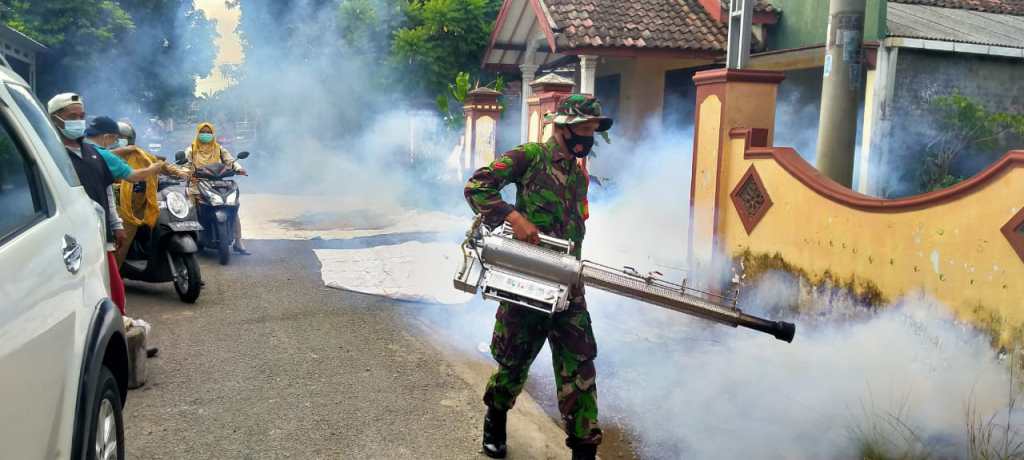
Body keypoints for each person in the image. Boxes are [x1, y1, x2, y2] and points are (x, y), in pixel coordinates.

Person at [464, 94, 613, 460]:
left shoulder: (579, 175)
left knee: (580, 368)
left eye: (593, 130)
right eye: (583, 128)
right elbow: (478, 186)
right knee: (513, 363)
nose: (588, 137)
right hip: (528, 280)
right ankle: (496, 416)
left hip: (568, 285)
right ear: (563, 127)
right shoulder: (530, 157)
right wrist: (514, 217)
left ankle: (584, 450)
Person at [47, 94, 155, 314]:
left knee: (113, 291)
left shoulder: (93, 153)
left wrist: (115, 225)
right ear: (55, 119)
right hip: (69, 242)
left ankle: (120, 327)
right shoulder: (50, 154)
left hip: (100, 236)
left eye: (81, 116)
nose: (78, 121)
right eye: (72, 117)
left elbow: (106, 190)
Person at [110, 121, 190, 266]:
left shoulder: (139, 154)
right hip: (119, 209)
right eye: (116, 137)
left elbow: (160, 164)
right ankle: (114, 275)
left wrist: (180, 173)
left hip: (138, 208)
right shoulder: (108, 156)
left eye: (122, 138)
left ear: (130, 139)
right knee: (121, 246)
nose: (119, 140)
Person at [182, 122, 250, 255]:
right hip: (197, 183)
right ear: (198, 133)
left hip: (217, 184)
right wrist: (187, 174)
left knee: (232, 207)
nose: (206, 135)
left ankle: (238, 241)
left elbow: (230, 161)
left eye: (209, 132)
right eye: (203, 132)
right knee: (190, 210)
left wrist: (239, 168)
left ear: (213, 134)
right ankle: (190, 239)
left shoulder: (219, 148)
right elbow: (185, 166)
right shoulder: (191, 149)